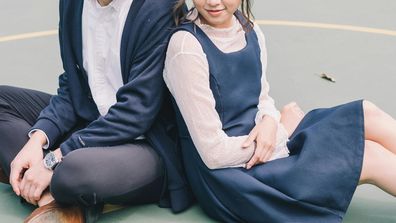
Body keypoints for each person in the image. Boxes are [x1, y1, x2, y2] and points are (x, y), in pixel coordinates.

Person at [164, 0, 396, 222]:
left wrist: (271, 121)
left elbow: (262, 97)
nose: (213, 2)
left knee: (366, 112)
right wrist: (283, 130)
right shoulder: (186, 48)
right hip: (235, 176)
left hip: (266, 142)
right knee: (369, 155)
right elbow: (213, 154)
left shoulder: (249, 28)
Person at [0, 0, 193, 222]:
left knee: (72, 171)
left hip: (145, 141)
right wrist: (37, 139)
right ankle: (53, 199)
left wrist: (52, 160)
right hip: (91, 123)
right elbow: (73, 86)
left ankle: (46, 182)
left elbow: (136, 113)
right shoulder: (73, 4)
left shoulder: (158, 7)